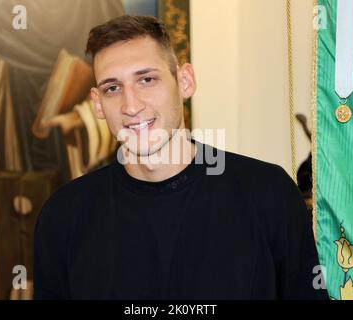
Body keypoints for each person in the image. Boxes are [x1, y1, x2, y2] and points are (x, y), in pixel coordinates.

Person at [34, 15, 328, 300]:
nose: (131, 105)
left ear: (185, 81)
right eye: (113, 88)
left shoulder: (267, 193)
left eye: (147, 79)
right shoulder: (64, 217)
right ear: (98, 105)